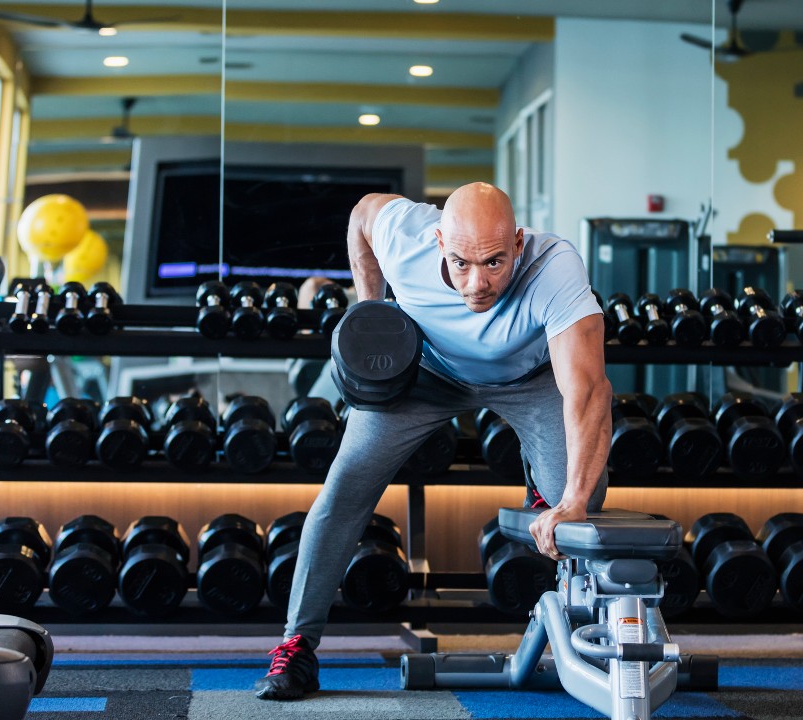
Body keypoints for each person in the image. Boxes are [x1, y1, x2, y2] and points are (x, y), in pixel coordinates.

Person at [255, 182, 612, 700]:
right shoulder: (406, 237)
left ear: (517, 244)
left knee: (583, 507)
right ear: (439, 242)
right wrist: (371, 313)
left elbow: (588, 390)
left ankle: (584, 631)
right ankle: (296, 648)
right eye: (462, 263)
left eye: (494, 262)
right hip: (427, 373)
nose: (476, 284)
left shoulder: (554, 267)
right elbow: (361, 216)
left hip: (530, 379)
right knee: (344, 487)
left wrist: (574, 501)